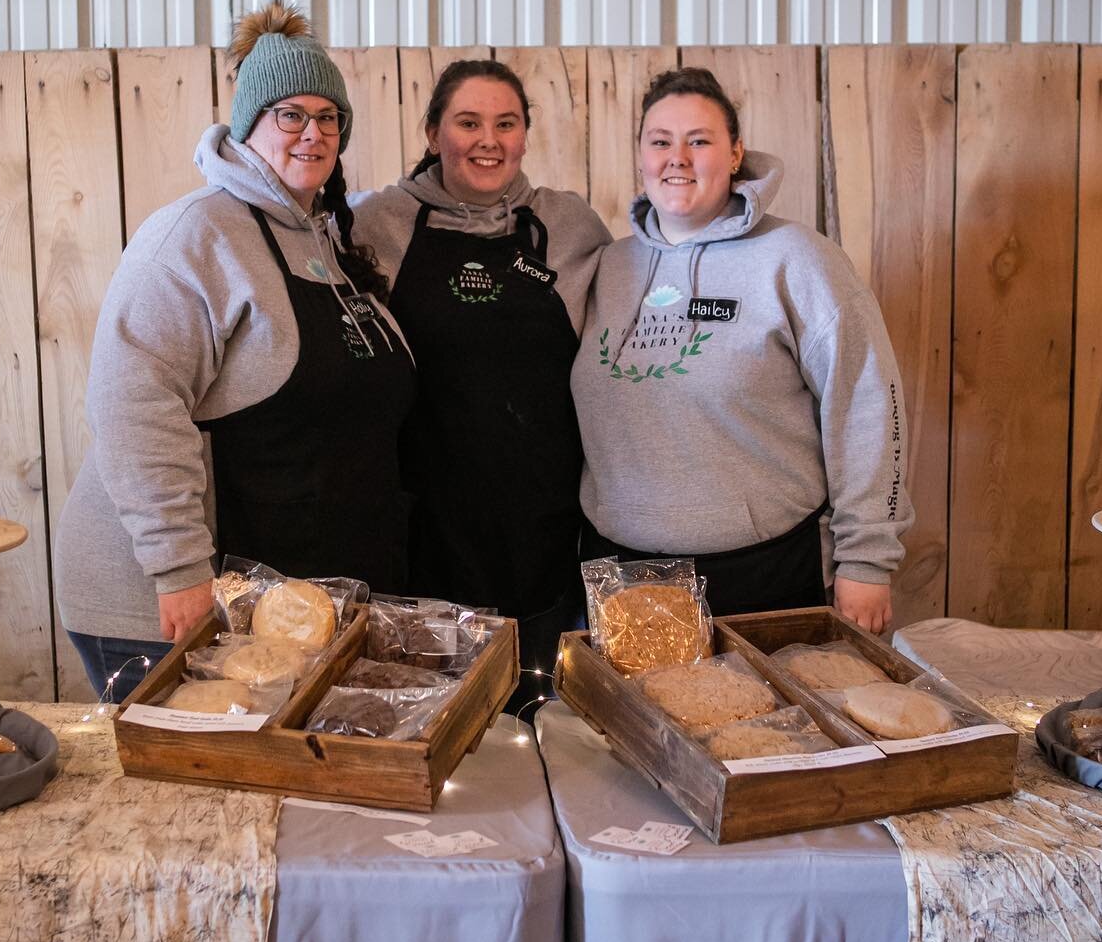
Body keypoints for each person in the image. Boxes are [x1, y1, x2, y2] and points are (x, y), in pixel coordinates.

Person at [54, 0, 414, 699]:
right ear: (248, 125)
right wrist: (180, 569)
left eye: (328, 117)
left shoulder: (322, 241)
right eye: (290, 115)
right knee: (184, 799)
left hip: (271, 603)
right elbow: (134, 401)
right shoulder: (194, 235)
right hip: (169, 600)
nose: (312, 133)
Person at [571, 66, 911, 634]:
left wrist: (866, 559)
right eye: (661, 141)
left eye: (698, 141)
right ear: (641, 156)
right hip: (619, 571)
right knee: (626, 724)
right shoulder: (607, 267)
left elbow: (867, 402)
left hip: (763, 570)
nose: (677, 158)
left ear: (735, 154)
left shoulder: (796, 258)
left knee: (767, 725)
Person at [353, 59, 611, 711]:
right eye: (468, 122)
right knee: (443, 735)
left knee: (542, 730)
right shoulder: (377, 225)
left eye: (506, 123)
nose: (488, 141)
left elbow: (617, 349)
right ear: (435, 130)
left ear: (526, 134)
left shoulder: (569, 226)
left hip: (545, 535)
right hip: (427, 539)